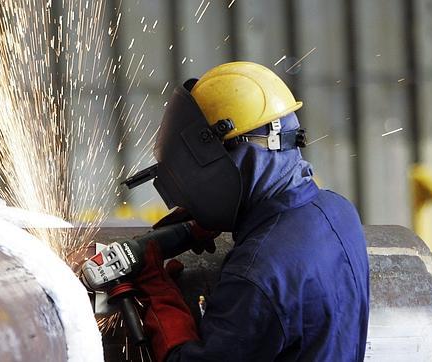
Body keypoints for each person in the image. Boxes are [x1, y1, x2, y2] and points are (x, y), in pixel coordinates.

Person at [126, 61, 370, 361]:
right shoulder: (339, 211)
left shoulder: (257, 273)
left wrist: (158, 292)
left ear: (232, 155)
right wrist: (229, 216)